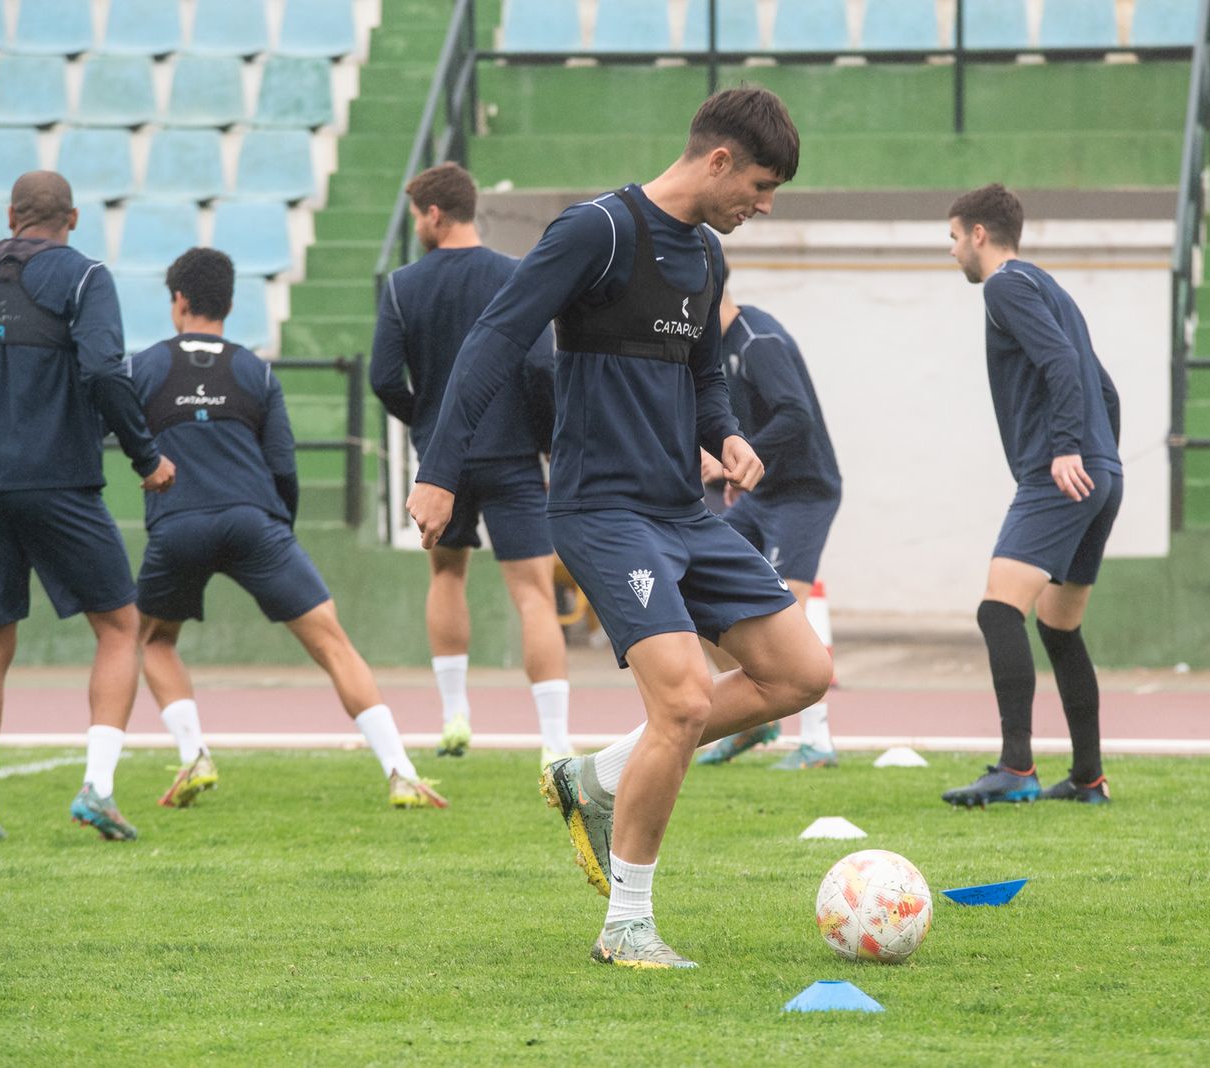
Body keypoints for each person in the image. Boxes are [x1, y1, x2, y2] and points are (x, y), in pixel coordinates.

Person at [406, 87, 831, 969]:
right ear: (719, 161)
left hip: (684, 512)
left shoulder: (706, 255)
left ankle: (594, 776)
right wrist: (439, 472)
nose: (764, 205)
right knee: (682, 701)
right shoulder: (596, 231)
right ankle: (626, 925)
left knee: (802, 673)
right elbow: (493, 341)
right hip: (602, 512)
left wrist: (727, 435)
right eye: (760, 186)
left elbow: (704, 375)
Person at [0, 171, 175, 843]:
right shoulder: (86, 277)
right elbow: (104, 371)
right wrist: (146, 458)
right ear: (73, 219)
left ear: (11, 215)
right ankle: (98, 788)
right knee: (119, 626)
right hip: (57, 477)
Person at [132, 248, 445, 811]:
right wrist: (280, 531)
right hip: (256, 522)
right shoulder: (256, 371)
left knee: (155, 640)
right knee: (334, 644)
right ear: (230, 304)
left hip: (178, 523)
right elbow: (283, 466)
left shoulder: (145, 368)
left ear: (178, 301)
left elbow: (126, 438)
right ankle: (401, 772)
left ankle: (194, 756)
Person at [370, 162, 571, 769]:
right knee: (534, 594)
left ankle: (455, 716)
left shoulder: (402, 285)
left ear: (434, 214)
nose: (416, 226)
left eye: (416, 216)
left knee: (447, 576)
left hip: (443, 466)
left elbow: (383, 378)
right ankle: (555, 740)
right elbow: (541, 368)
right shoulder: (516, 275)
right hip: (512, 457)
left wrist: (427, 426)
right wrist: (544, 439)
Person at [939, 183, 1123, 808]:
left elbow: (1062, 365)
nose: (953, 251)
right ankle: (1089, 777)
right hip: (1100, 474)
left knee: (999, 611)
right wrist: (1102, 457)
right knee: (1059, 627)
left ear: (979, 234)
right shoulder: (1050, 287)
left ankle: (1016, 767)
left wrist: (1067, 449)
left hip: (1060, 473)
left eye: (953, 238)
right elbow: (1105, 387)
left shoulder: (1004, 286)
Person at [695, 263, 842, 770]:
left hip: (803, 494)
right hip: (759, 497)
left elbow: (796, 414)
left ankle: (818, 743)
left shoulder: (758, 340)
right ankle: (753, 721)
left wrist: (738, 457)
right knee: (694, 589)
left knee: (786, 621)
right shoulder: (712, 348)